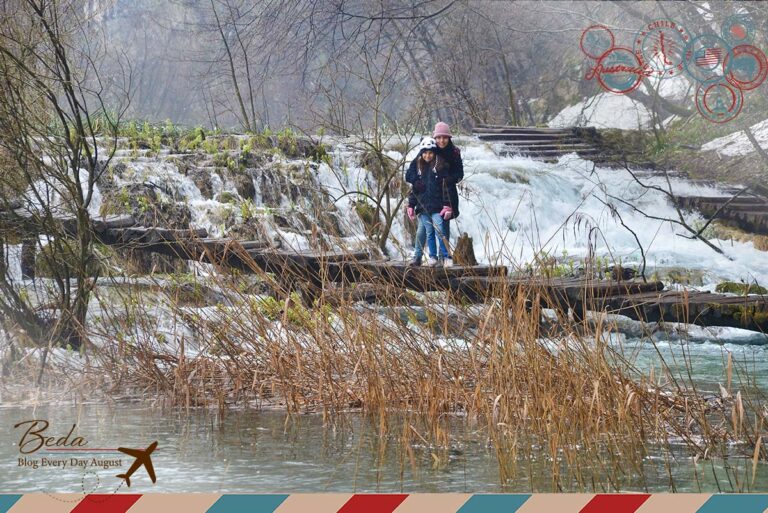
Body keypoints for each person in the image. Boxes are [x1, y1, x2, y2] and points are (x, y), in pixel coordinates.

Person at [405, 137, 453, 266]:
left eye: (430, 153)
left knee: (440, 230)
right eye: (425, 153)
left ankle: (447, 257)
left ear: (434, 152)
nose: (427, 155)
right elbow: (414, 190)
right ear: (421, 153)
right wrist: (411, 205)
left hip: (437, 207)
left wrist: (447, 205)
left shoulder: (439, 167)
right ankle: (432, 257)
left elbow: (445, 189)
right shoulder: (418, 168)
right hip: (423, 208)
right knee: (428, 232)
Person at [431, 122, 463, 250]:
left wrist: (448, 180)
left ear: (449, 138)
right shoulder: (430, 151)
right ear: (435, 138)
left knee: (444, 224)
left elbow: (460, 174)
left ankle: (444, 256)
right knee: (430, 225)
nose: (441, 141)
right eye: (438, 138)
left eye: (444, 137)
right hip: (432, 193)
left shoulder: (454, 152)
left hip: (448, 193)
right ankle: (431, 255)